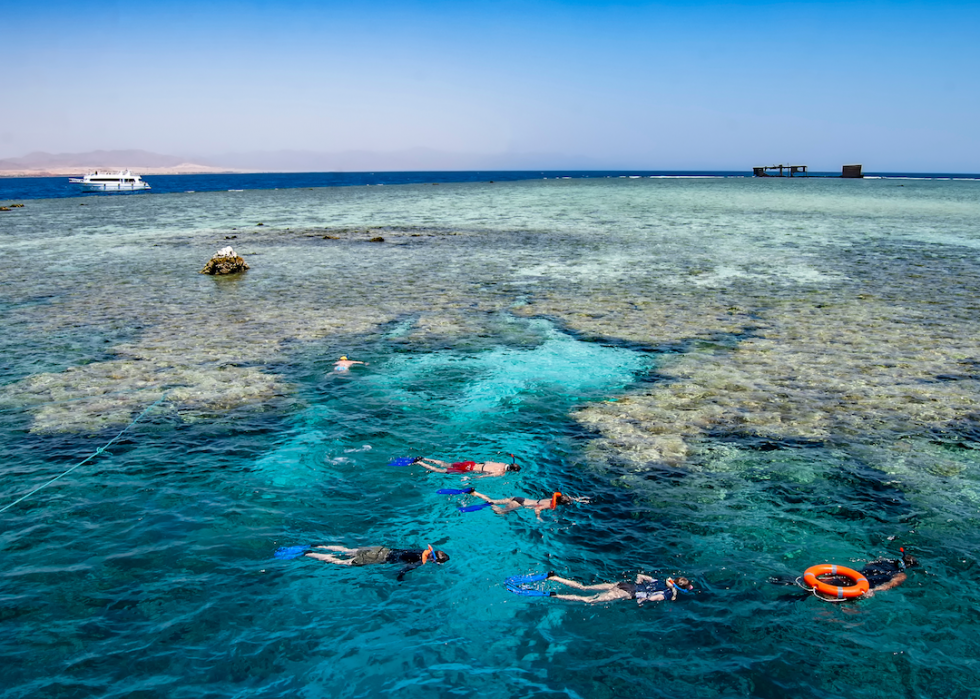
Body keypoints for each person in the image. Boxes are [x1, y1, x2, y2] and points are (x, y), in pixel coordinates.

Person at [510, 571, 693, 605]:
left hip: (623, 584)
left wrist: (639, 586)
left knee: (583, 587)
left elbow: (641, 576)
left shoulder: (660, 581)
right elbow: (653, 598)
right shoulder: (667, 593)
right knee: (586, 600)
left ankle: (555, 577)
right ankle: (550, 594)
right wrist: (643, 600)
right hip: (626, 592)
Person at [305, 544, 449, 580]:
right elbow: (402, 570)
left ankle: (317, 546)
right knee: (342, 562)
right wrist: (400, 578)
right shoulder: (420, 562)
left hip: (381, 549)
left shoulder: (421, 550)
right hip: (379, 558)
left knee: (346, 550)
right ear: (433, 560)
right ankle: (310, 554)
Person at [468, 490, 590, 520]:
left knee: (494, 500)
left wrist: (578, 499)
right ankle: (486, 502)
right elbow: (538, 508)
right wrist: (538, 518)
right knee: (500, 512)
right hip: (519, 504)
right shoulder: (551, 505)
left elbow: (566, 498)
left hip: (520, 498)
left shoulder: (554, 497)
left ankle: (477, 493)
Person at [414, 455, 521, 477]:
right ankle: (419, 462)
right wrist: (476, 477)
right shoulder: (500, 473)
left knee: (445, 463)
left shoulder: (501, 463)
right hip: (468, 469)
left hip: (471, 463)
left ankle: (423, 458)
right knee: (440, 471)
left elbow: (487, 462)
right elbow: (483, 477)